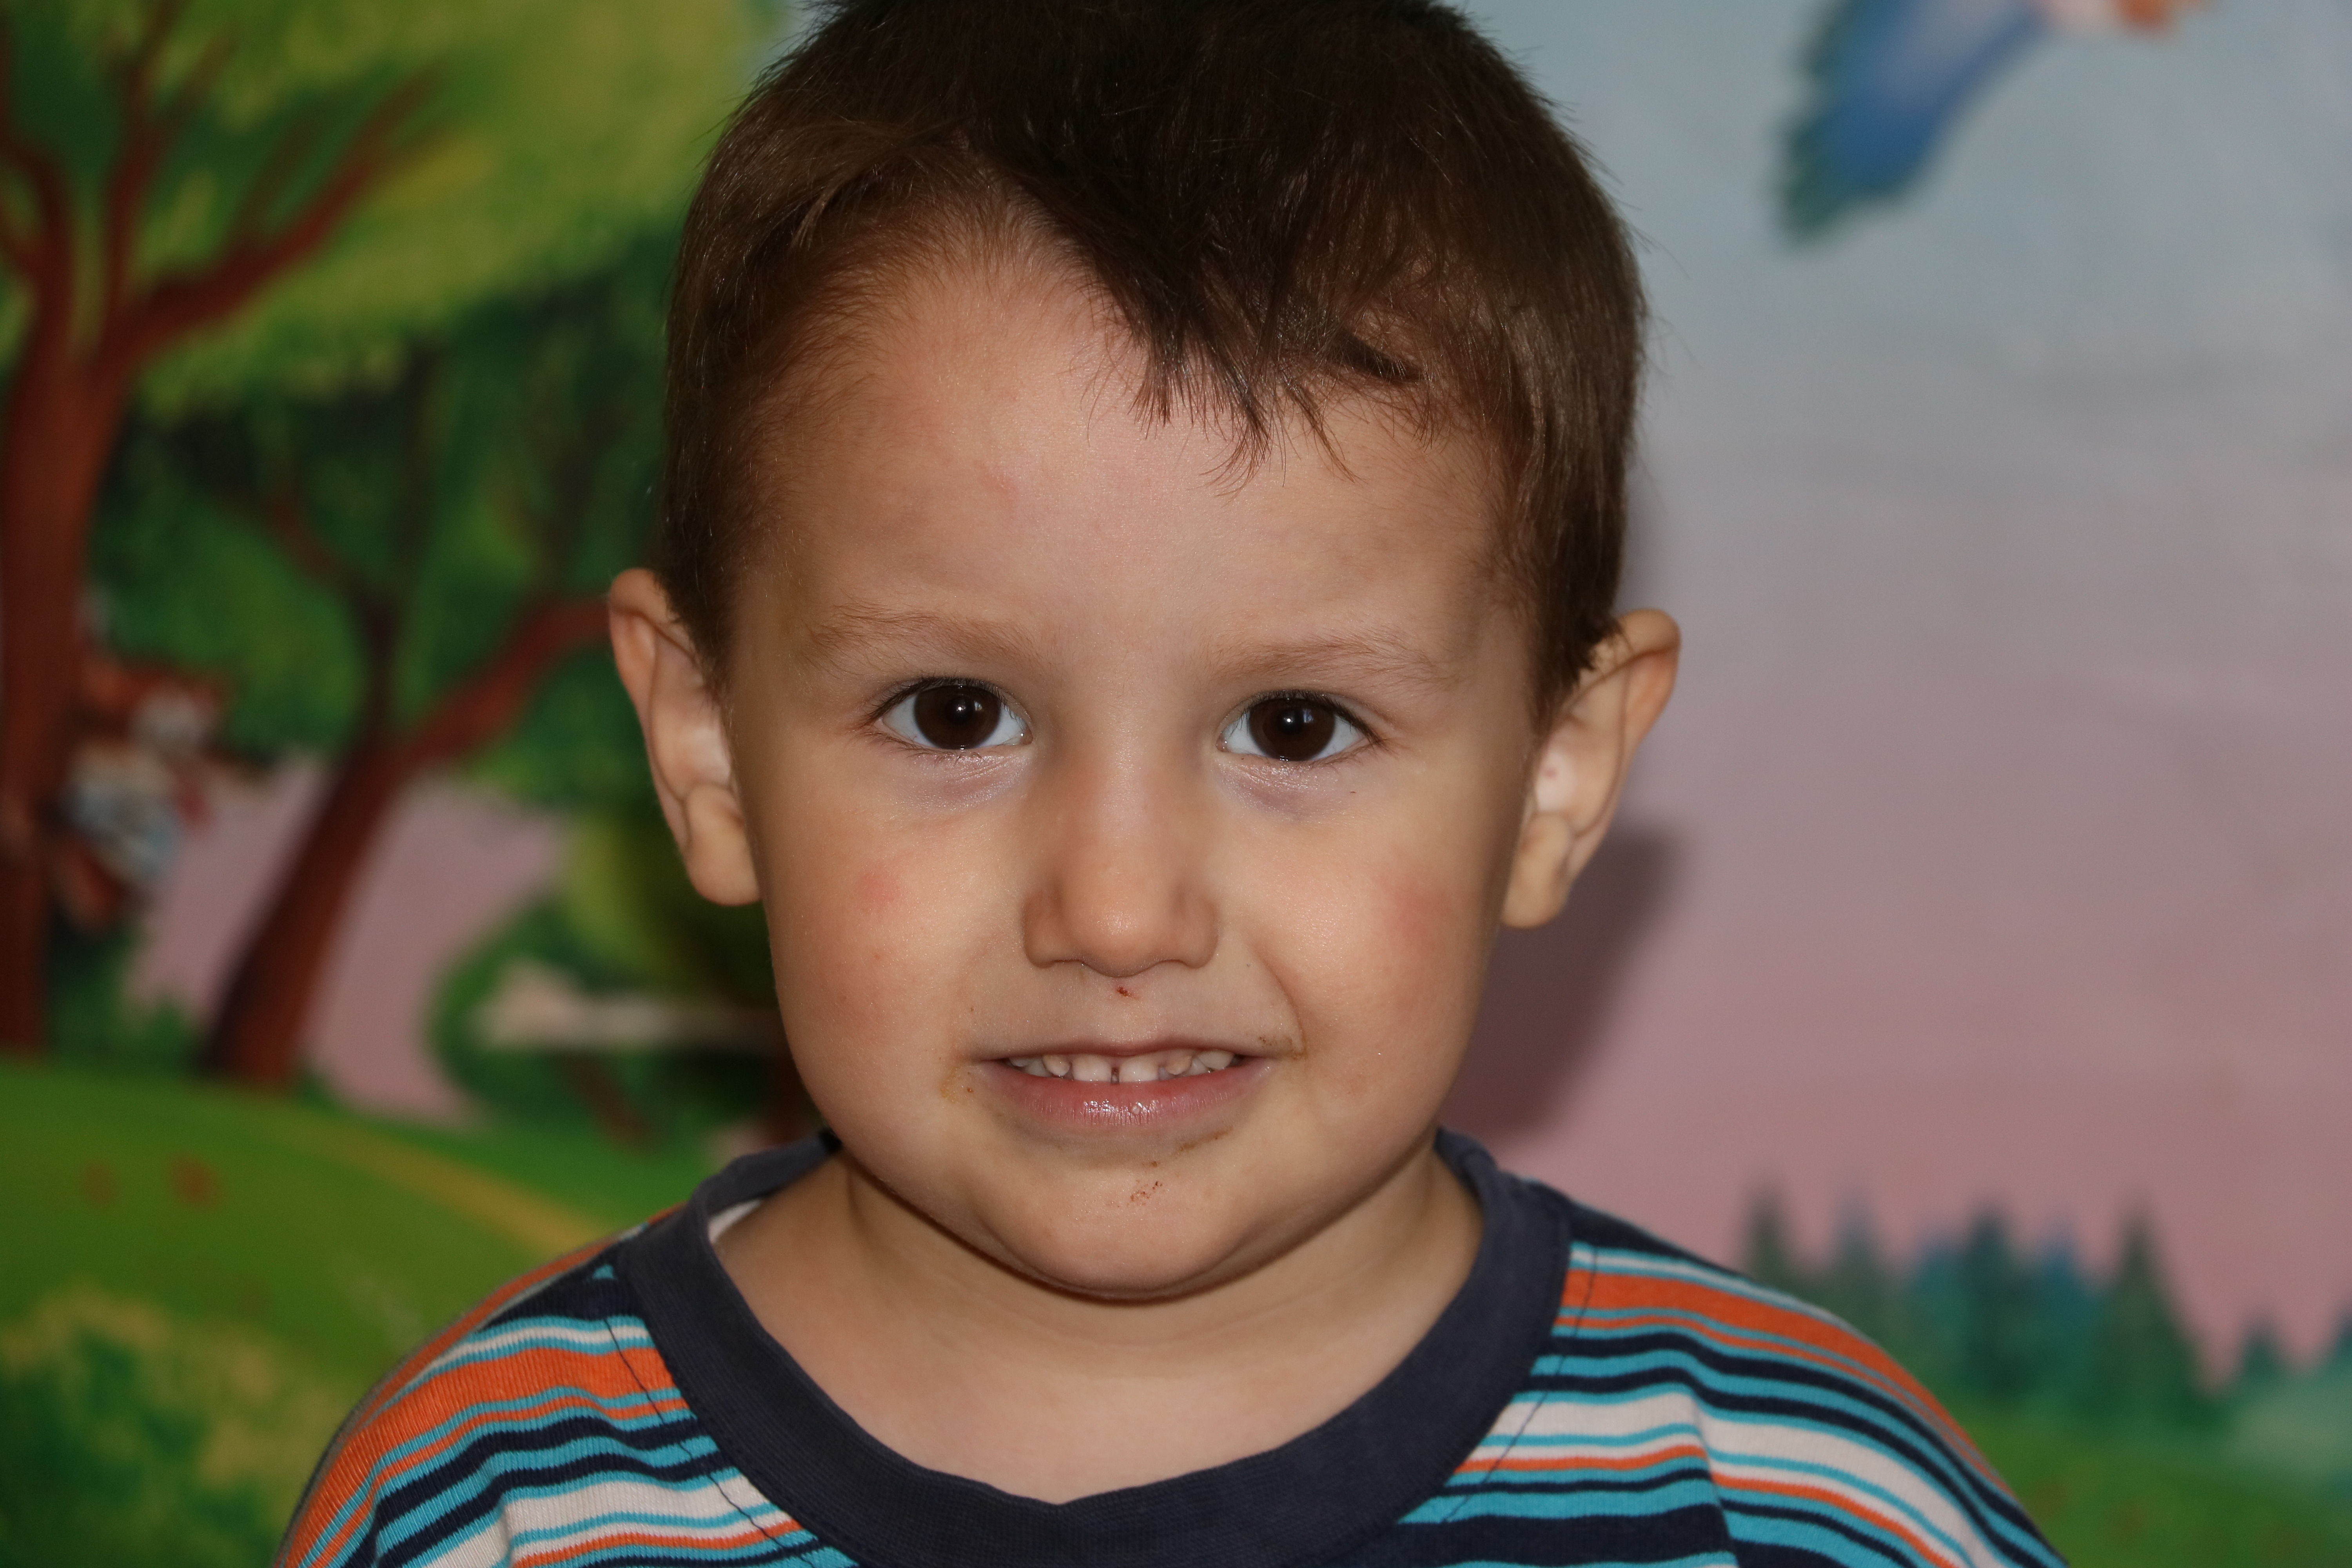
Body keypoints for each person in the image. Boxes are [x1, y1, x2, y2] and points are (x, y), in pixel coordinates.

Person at [279, 2, 2060, 1564]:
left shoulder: (1812, 1514)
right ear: (708, 754)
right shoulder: (485, 1511)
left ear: (1556, 777)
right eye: (955, 715)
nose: (1119, 909)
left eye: (1295, 728)